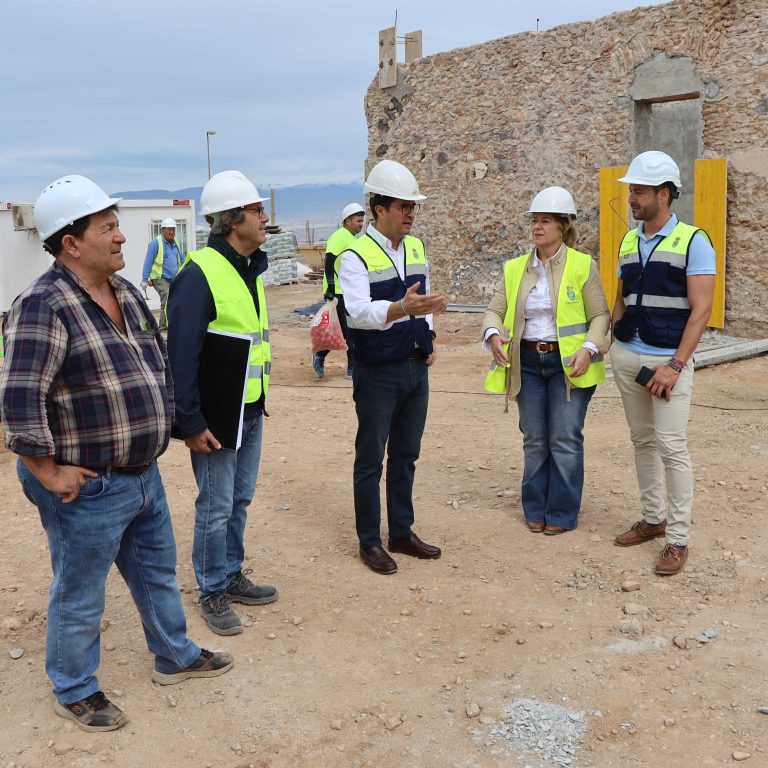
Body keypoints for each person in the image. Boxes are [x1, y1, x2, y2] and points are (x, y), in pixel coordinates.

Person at [0, 175, 233, 733]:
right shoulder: (43, 305)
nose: (122, 237)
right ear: (70, 243)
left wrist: (179, 425)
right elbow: (18, 398)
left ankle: (173, 655)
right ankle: (75, 687)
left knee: (156, 573)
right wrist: (47, 471)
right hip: (87, 485)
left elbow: (153, 368)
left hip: (142, 474)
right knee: (80, 592)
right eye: (107, 228)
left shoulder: (128, 294)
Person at [167, 170, 278, 634]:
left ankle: (230, 574)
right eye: (256, 210)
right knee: (215, 505)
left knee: (240, 499)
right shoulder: (200, 274)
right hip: (215, 419)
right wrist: (190, 422)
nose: (263, 216)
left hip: (249, 409)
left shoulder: (249, 268)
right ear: (234, 220)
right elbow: (181, 355)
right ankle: (212, 589)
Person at [339, 159, 446, 575]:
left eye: (413, 206)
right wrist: (403, 308)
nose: (410, 213)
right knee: (371, 458)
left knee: (406, 454)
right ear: (378, 209)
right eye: (403, 206)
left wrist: (429, 334)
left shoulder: (416, 247)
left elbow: (427, 297)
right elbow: (357, 313)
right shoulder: (354, 253)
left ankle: (401, 531)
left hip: (415, 367)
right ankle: (369, 542)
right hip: (378, 371)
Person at [482, 186, 610, 535]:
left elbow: (601, 315)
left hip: (569, 364)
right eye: (535, 221)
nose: (538, 227)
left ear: (564, 227)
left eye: (546, 221)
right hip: (527, 364)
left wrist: (589, 348)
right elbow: (494, 310)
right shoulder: (514, 269)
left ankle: (563, 512)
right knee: (535, 438)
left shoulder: (583, 266)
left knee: (565, 437)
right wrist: (493, 335)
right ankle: (535, 507)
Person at [611, 151, 715, 575]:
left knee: (672, 448)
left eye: (638, 190)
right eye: (632, 190)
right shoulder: (629, 239)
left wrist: (675, 365)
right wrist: (617, 332)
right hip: (629, 355)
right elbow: (621, 292)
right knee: (643, 441)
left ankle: (678, 540)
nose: (632, 197)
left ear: (664, 194)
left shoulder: (694, 241)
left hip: (667, 362)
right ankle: (653, 520)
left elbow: (702, 309)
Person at [312, 203, 365, 380]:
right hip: (337, 291)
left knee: (346, 329)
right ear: (347, 220)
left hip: (349, 291)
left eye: (362, 220)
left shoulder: (354, 240)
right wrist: (330, 287)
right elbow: (329, 260)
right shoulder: (339, 237)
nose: (361, 223)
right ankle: (349, 365)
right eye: (358, 220)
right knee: (344, 329)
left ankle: (322, 355)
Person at [141, 217, 184, 331]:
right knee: (167, 297)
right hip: (159, 278)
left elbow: (182, 259)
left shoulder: (176, 243)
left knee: (177, 299)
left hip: (173, 278)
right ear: (163, 230)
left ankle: (173, 323)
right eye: (169, 229)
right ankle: (164, 328)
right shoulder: (156, 243)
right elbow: (148, 261)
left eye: (173, 229)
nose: (171, 232)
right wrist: (145, 279)